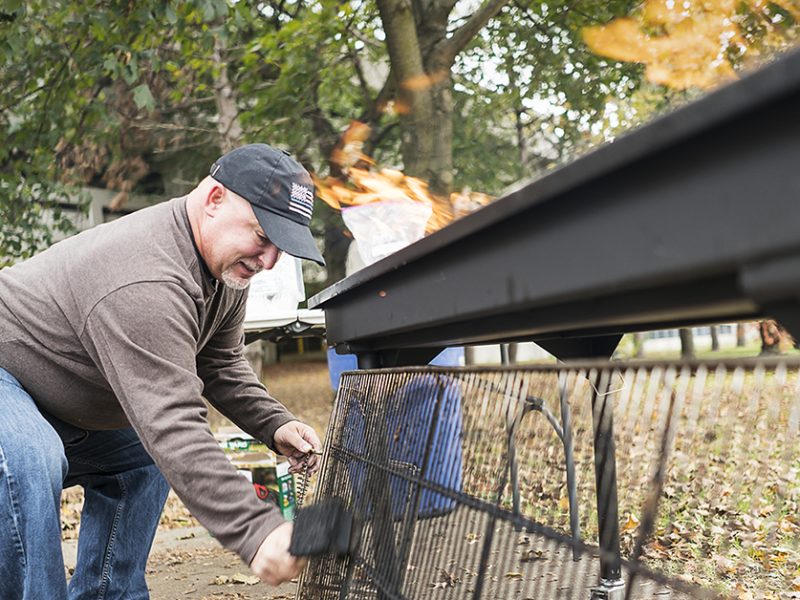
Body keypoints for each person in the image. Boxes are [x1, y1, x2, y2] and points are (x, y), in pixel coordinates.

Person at [0, 143, 326, 599]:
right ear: (214, 200)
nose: (269, 261)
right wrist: (258, 532)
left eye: (281, 247)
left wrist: (276, 423)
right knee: (27, 458)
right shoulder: (146, 278)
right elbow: (172, 422)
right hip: (5, 376)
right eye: (262, 236)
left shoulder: (222, 270)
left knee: (140, 455)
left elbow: (219, 361)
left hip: (52, 394)